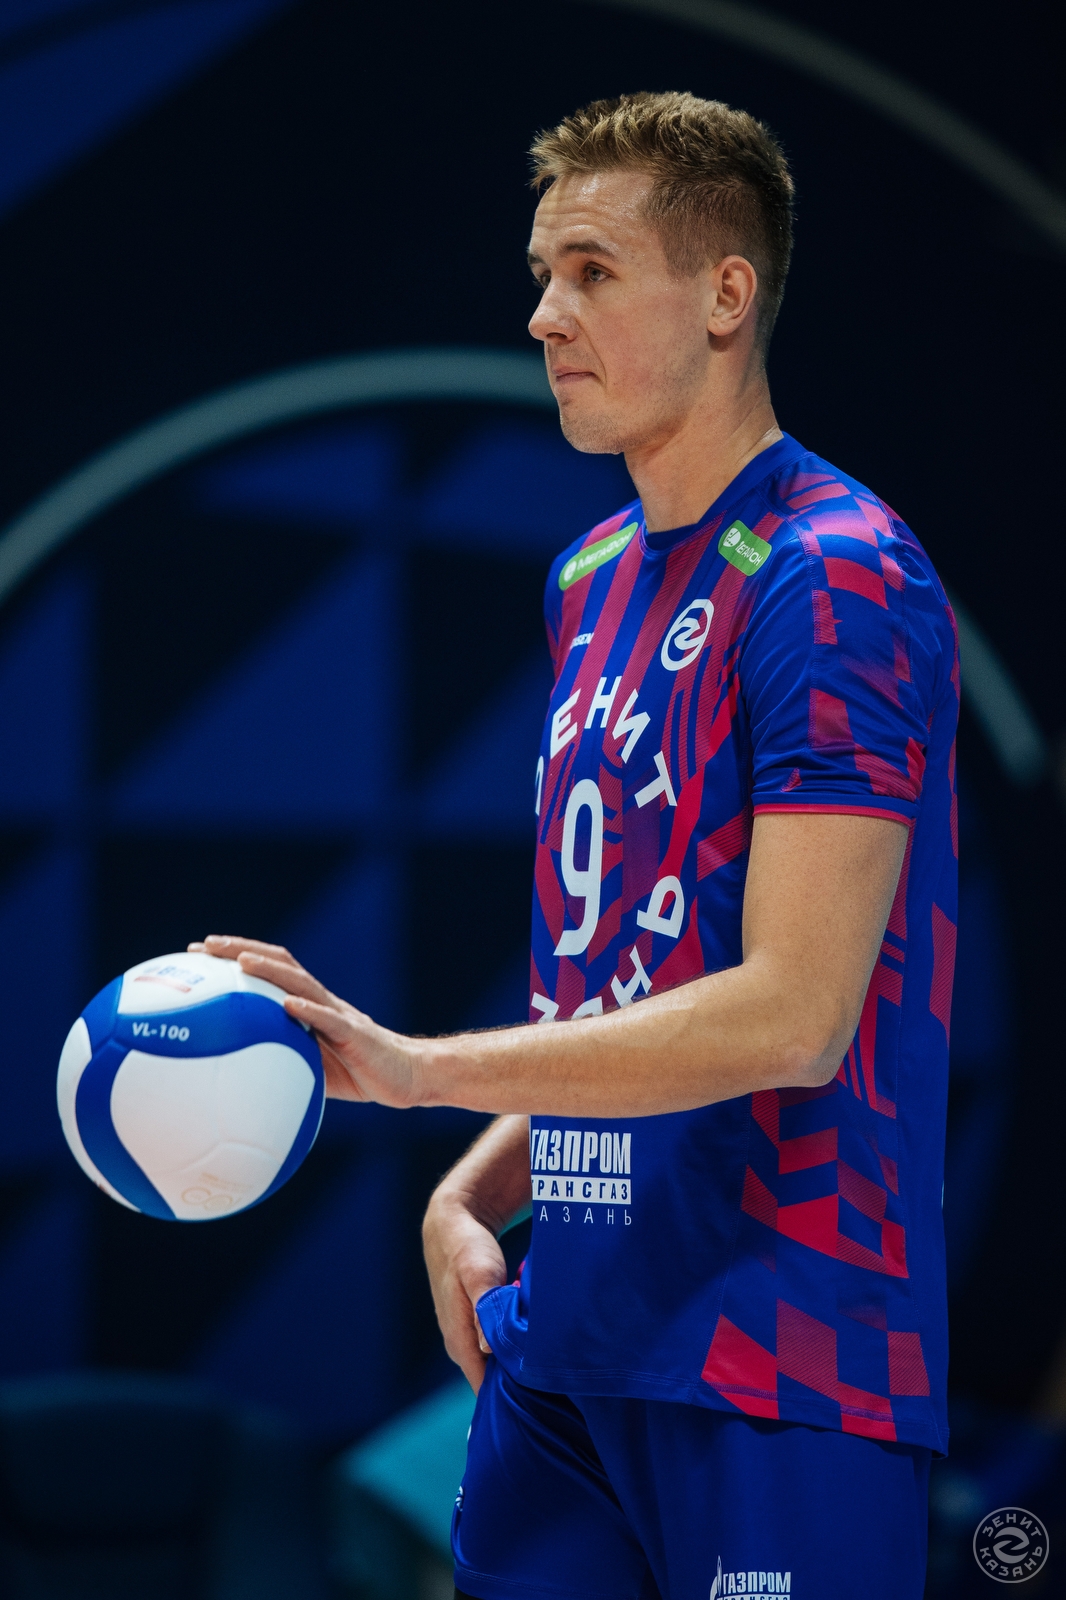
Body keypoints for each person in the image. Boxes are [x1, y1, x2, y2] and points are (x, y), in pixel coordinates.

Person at [193, 91, 958, 1600]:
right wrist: (473, 1192)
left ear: (725, 294)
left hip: (780, 1355)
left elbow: (793, 1015)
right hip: (566, 1342)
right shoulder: (589, 575)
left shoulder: (837, 573)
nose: (545, 315)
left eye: (594, 272)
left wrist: (417, 1069)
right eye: (544, 274)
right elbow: (629, 981)